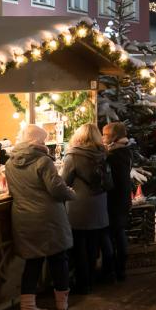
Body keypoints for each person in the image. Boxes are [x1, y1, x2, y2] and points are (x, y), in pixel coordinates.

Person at [6, 124, 75, 310]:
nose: (45, 143)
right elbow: (56, 189)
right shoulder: (43, 162)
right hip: (48, 217)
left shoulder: (10, 163)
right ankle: (62, 302)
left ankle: (27, 306)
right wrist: (71, 194)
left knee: (33, 260)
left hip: (23, 216)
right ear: (37, 141)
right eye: (43, 139)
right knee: (58, 258)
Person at [62, 123, 112, 294]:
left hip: (79, 205)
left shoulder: (73, 156)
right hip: (99, 204)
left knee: (78, 246)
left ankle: (83, 283)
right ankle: (91, 278)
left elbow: (64, 182)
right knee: (92, 244)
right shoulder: (103, 154)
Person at [102, 120, 137, 283]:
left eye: (106, 135)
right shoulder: (125, 152)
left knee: (113, 233)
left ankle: (113, 271)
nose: (103, 138)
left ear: (114, 136)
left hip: (114, 199)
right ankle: (120, 270)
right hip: (123, 198)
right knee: (119, 232)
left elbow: (111, 180)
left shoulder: (115, 155)